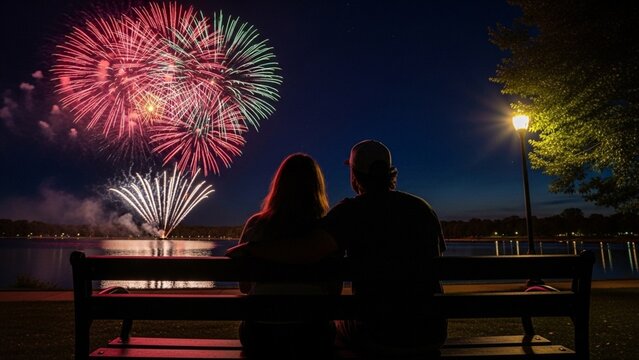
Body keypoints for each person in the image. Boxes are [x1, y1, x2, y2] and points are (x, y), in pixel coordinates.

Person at [320, 139, 447, 357]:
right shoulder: (422, 208)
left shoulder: (349, 212)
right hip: (431, 332)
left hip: (376, 333)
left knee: (335, 325)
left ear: (354, 175)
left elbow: (320, 255)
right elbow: (436, 258)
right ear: (390, 172)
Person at [225, 153, 340, 358]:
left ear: (279, 186)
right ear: (316, 188)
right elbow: (333, 291)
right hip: (312, 334)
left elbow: (244, 286)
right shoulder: (326, 231)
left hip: (260, 333)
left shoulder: (255, 225)